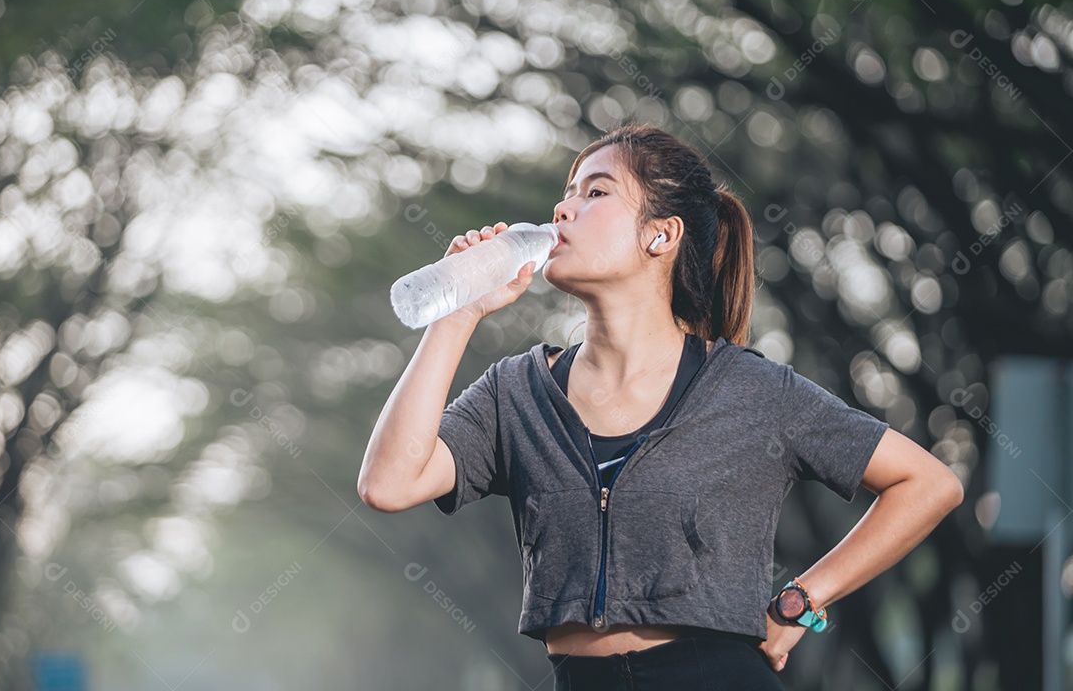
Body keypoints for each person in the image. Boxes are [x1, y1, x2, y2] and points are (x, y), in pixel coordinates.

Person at [359, 123, 964, 690]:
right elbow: (388, 484)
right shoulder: (513, 392)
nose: (562, 210)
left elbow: (928, 483)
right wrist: (459, 309)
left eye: (596, 192)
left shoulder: (750, 391)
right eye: (564, 195)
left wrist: (803, 599)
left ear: (662, 234)